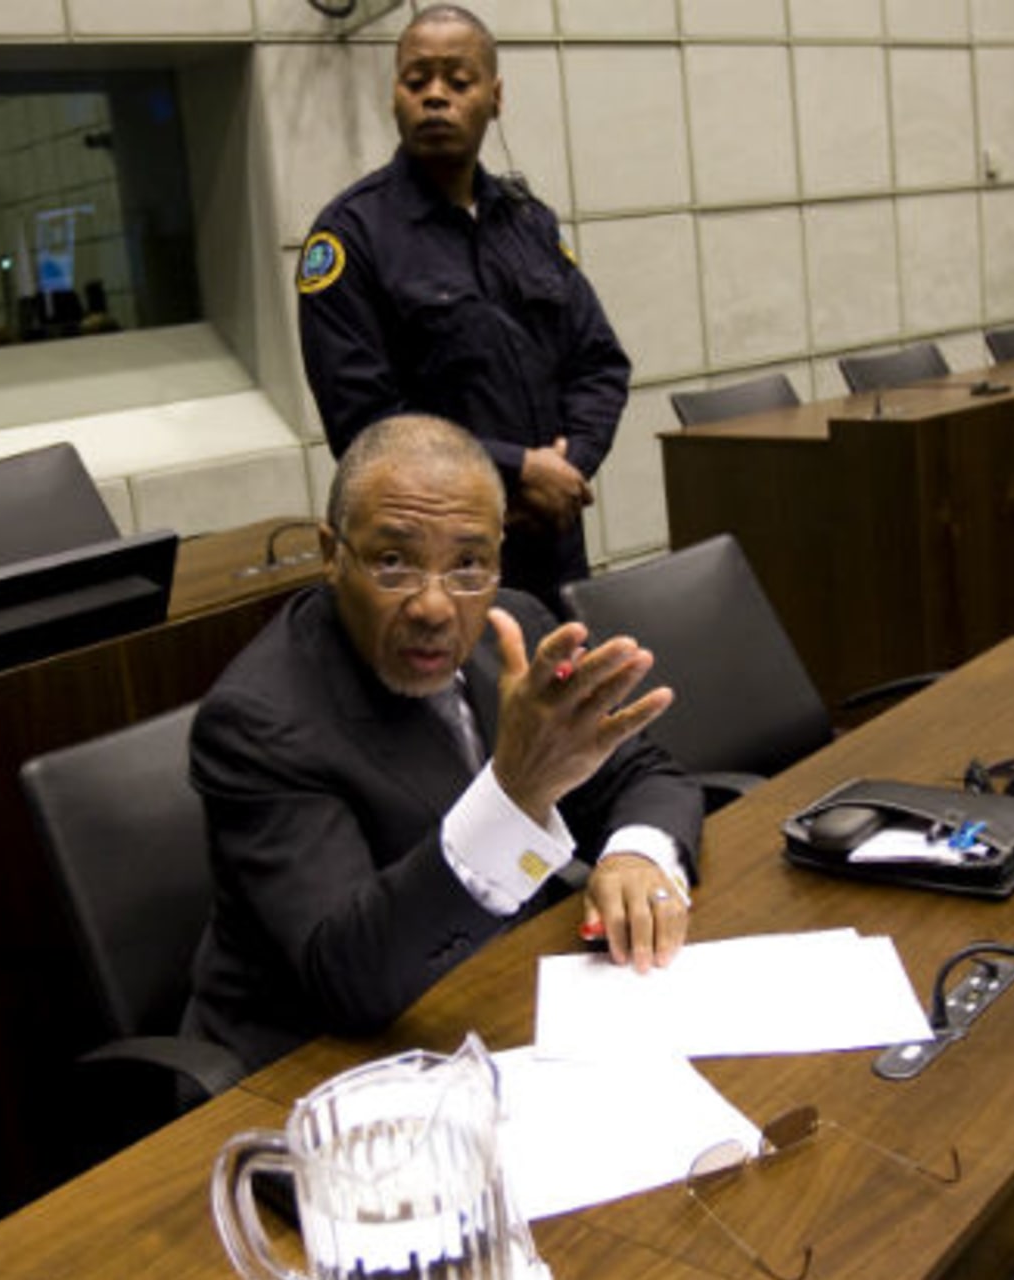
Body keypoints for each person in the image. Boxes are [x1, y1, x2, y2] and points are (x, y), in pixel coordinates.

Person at [182, 415, 704, 1073]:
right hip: (318, 1073)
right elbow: (349, 977)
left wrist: (637, 855)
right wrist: (514, 794)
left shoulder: (512, 625)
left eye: (467, 564)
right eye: (394, 561)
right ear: (331, 554)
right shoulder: (258, 723)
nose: (434, 605)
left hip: (496, 1004)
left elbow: (644, 774)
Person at [296, 3, 630, 614]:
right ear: (394, 96)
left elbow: (599, 364)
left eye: (458, 79)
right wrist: (515, 471)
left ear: (495, 96)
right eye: (416, 80)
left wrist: (565, 470)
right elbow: (365, 424)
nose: (435, 96)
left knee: (563, 701)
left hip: (550, 544)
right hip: (436, 569)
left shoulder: (527, 222)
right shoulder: (350, 238)